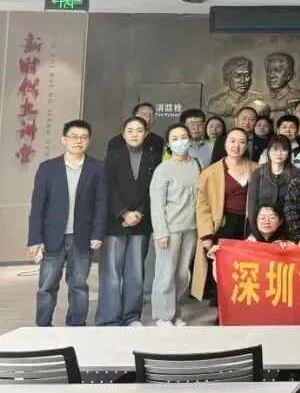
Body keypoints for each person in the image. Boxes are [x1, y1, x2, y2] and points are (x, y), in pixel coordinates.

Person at [27, 119, 106, 327]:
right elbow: (37, 206)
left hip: (82, 237)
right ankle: (43, 327)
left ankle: (77, 326)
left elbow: (101, 203)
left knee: (79, 286)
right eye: (74, 137)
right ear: (64, 139)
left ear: (88, 141)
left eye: (83, 137)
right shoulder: (48, 168)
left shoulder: (98, 168)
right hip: (52, 237)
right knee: (46, 287)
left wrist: (98, 233)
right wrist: (34, 239)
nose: (78, 141)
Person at [98, 116, 159, 326]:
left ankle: (131, 316)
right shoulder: (112, 157)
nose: (135, 134)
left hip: (141, 222)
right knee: (111, 273)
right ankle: (109, 318)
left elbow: (154, 190)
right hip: (115, 222)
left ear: (146, 133)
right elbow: (109, 188)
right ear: (123, 134)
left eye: (139, 130)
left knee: (135, 272)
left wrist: (138, 213)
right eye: (130, 130)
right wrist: (124, 213)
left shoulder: (154, 158)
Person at [193, 128, 257, 303]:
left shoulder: (256, 169)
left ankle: (243, 304)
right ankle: (224, 308)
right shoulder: (210, 172)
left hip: (248, 224)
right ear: (225, 143)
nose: (236, 145)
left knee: (246, 266)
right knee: (223, 267)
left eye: (242, 142)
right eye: (232, 141)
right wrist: (206, 235)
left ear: (247, 145)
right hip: (223, 224)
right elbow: (203, 205)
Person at [149, 123, 201, 326]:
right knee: (166, 274)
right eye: (175, 138)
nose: (180, 142)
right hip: (170, 230)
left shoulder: (195, 164)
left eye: (183, 137)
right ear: (168, 144)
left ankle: (175, 312)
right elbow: (157, 204)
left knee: (181, 275)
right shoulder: (163, 169)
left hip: (191, 228)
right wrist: (161, 232)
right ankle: (163, 316)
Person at [246, 134, 298, 231]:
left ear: (289, 153)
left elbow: (297, 207)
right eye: (275, 150)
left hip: (287, 229)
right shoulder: (258, 173)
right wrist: (257, 233)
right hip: (261, 227)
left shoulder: (296, 175)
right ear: (268, 152)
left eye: (283, 150)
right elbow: (252, 207)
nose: (279, 153)